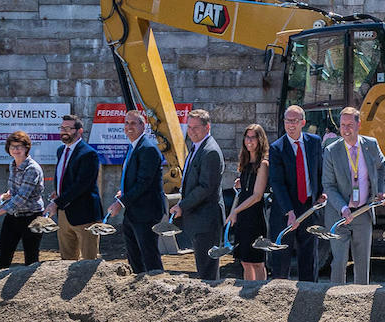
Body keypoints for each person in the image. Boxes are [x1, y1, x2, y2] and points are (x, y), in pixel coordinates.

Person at [323, 107, 385, 285]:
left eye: (350, 125)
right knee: (339, 262)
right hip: (339, 215)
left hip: (363, 211)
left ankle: (362, 302)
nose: (345, 129)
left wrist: (380, 191)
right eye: (343, 125)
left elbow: (382, 167)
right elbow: (328, 186)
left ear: (359, 125)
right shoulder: (331, 151)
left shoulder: (371, 145)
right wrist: (343, 208)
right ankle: (336, 300)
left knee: (362, 263)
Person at [266, 105, 325, 281]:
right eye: (288, 121)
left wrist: (321, 193)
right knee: (281, 257)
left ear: (303, 123)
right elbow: (277, 183)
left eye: (295, 121)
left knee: (309, 256)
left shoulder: (314, 142)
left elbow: (320, 171)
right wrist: (289, 211)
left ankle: (308, 295)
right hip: (284, 209)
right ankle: (280, 295)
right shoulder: (277, 148)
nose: (291, 125)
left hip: (308, 207)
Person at [107, 110, 166, 275]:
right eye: (126, 123)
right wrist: (123, 192)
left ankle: (156, 287)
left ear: (143, 126)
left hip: (146, 212)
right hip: (133, 212)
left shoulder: (148, 149)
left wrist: (121, 203)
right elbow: (135, 179)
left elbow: (144, 183)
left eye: (133, 123)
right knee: (134, 257)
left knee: (149, 257)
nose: (129, 127)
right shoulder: (133, 147)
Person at [172, 109, 225, 280]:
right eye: (189, 127)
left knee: (207, 270)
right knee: (202, 267)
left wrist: (182, 205)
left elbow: (205, 188)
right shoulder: (197, 148)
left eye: (196, 127)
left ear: (207, 127)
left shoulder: (210, 151)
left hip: (207, 220)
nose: (191, 131)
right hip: (198, 219)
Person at [0, 130, 46, 268]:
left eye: (19, 146)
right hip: (14, 216)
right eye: (13, 146)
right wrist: (6, 195)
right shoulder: (12, 165)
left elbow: (21, 198)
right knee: (3, 257)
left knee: (31, 259)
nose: (16, 150)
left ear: (26, 148)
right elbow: (14, 192)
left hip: (32, 217)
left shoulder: (32, 169)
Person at [47, 114, 103, 261]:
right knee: (67, 259)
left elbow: (82, 185)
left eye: (68, 128)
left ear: (79, 131)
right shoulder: (61, 151)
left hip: (85, 214)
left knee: (89, 260)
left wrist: (57, 203)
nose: (63, 131)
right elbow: (66, 177)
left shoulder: (89, 154)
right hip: (65, 213)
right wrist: (58, 191)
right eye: (61, 128)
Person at [228, 123, 270, 281]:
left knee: (257, 261)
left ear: (260, 140)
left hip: (255, 217)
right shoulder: (245, 164)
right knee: (245, 261)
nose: (249, 141)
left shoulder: (263, 165)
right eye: (247, 137)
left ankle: (259, 293)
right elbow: (248, 188)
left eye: (253, 137)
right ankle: (247, 290)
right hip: (243, 216)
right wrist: (242, 182)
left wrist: (235, 211)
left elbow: (257, 195)